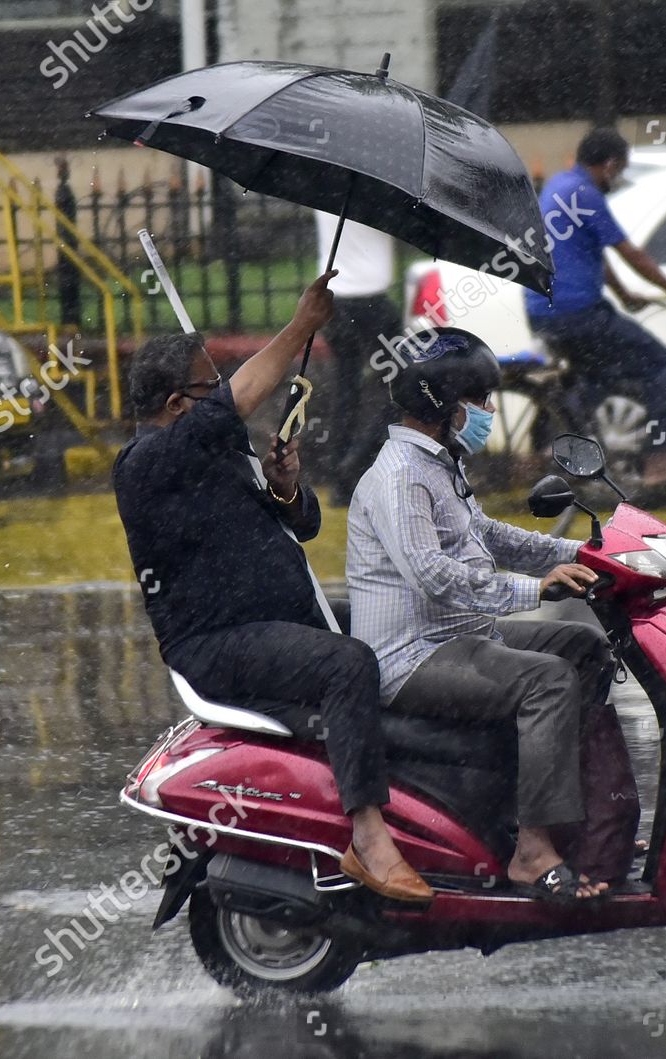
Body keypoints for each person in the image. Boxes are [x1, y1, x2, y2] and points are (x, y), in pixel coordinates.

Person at [113, 272, 432, 905]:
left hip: (279, 617)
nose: (230, 403)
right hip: (216, 642)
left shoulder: (215, 456)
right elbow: (232, 403)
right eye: (212, 391)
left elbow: (304, 524)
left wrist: (285, 485)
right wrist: (301, 325)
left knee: (400, 618)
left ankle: (428, 790)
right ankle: (367, 835)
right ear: (179, 407)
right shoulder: (145, 463)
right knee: (348, 665)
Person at [346, 328, 639, 903]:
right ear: (443, 405)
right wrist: (535, 590)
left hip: (460, 637)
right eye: (479, 401)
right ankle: (531, 853)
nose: (489, 411)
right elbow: (433, 575)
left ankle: (570, 818)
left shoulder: (437, 464)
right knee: (548, 680)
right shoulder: (400, 477)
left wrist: (579, 552)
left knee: (582, 650)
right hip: (413, 656)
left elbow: (485, 535)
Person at [525, 126, 666, 487]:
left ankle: (568, 447)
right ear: (610, 164)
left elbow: (593, 252)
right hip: (577, 314)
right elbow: (632, 254)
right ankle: (660, 462)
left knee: (602, 375)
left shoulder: (558, 186)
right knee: (662, 362)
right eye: (620, 170)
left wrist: (625, 295)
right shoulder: (586, 194)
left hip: (546, 313)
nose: (619, 178)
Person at [314, 211, 402, 505]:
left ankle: (340, 477)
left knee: (346, 389)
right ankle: (356, 460)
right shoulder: (382, 188)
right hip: (373, 299)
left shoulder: (327, 183)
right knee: (403, 384)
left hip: (336, 299)